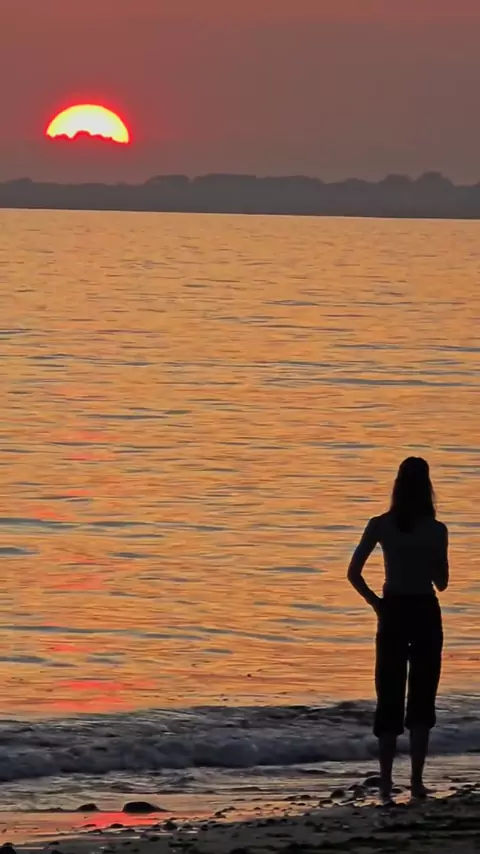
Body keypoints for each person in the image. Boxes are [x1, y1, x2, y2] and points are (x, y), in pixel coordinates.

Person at [347, 457, 449, 801]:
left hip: (392, 610)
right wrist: (428, 555)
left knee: (389, 693)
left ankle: (387, 783)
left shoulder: (380, 524)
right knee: (422, 694)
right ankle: (416, 782)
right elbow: (442, 582)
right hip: (424, 610)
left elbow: (354, 573)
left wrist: (376, 603)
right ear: (427, 488)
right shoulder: (436, 530)